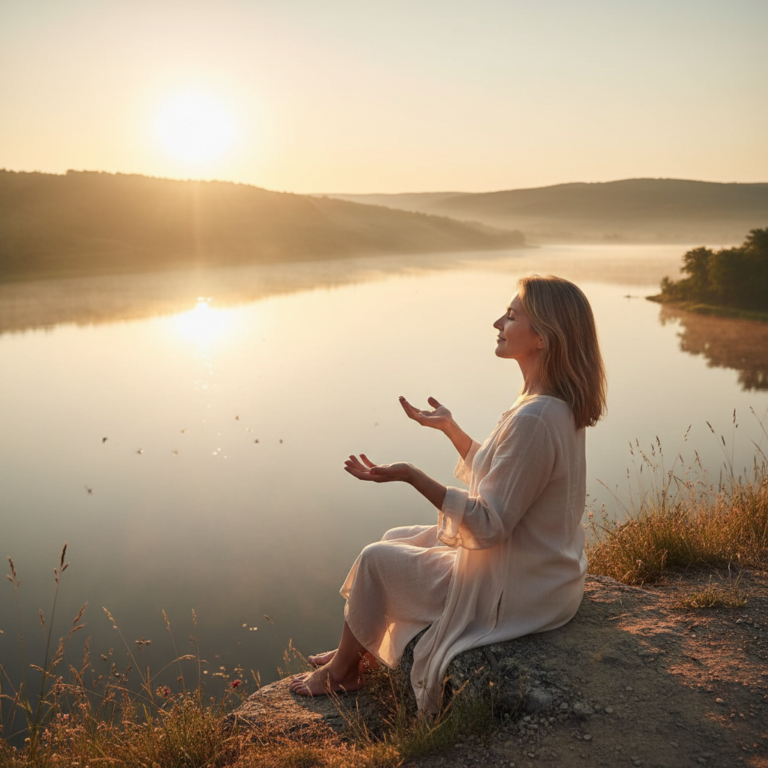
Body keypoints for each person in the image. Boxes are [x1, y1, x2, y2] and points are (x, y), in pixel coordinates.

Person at [289, 275, 608, 714]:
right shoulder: (548, 403)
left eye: (511, 316)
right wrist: (451, 429)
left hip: (523, 590)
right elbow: (506, 479)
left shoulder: (536, 417)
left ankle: (344, 672)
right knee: (397, 534)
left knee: (375, 559)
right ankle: (358, 647)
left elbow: (490, 524)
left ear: (542, 337)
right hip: (547, 576)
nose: (498, 322)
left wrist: (411, 475)